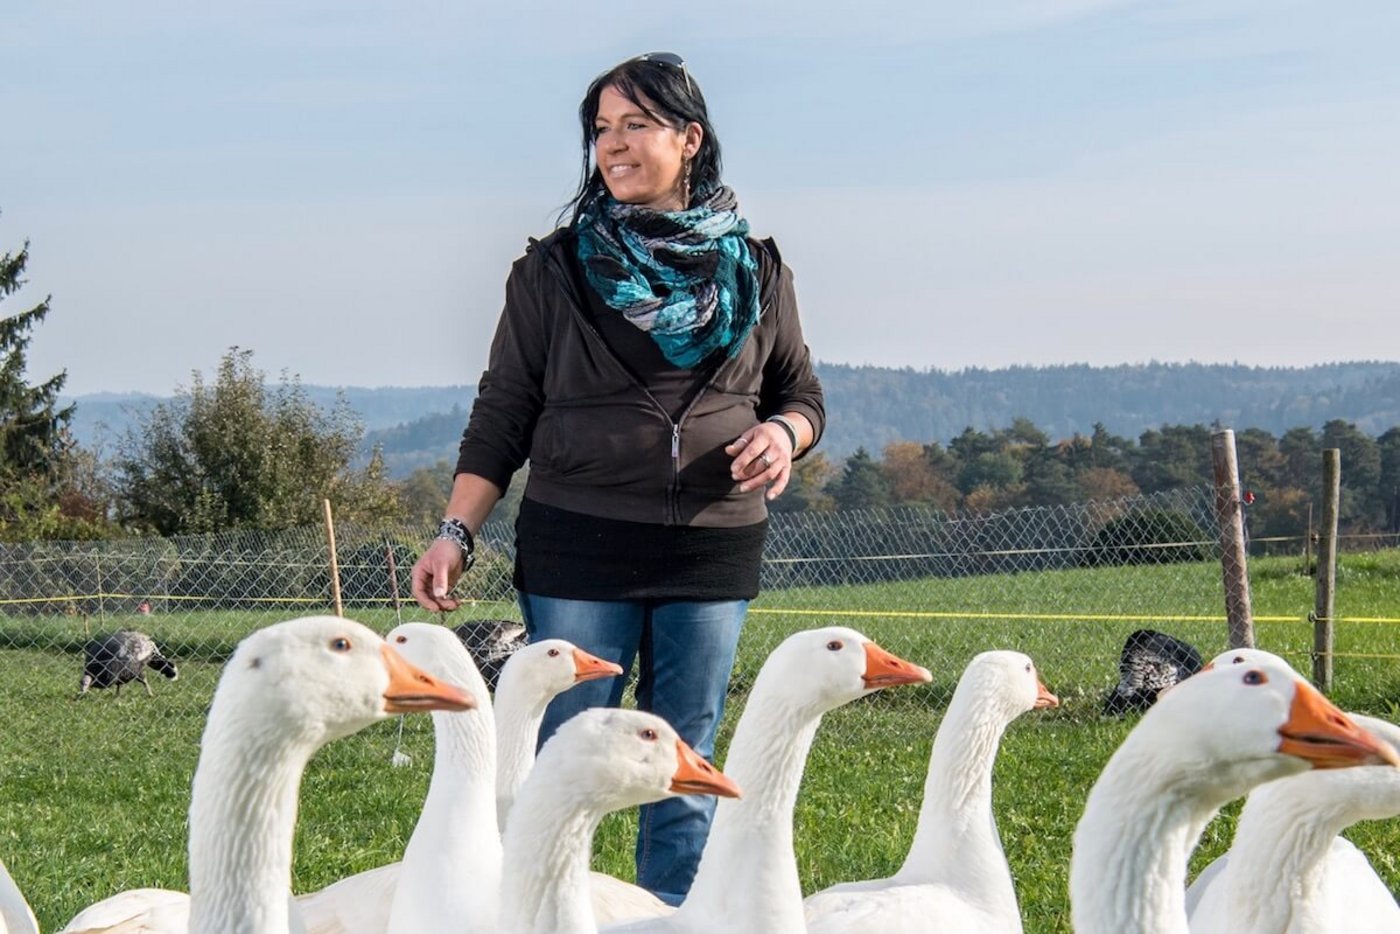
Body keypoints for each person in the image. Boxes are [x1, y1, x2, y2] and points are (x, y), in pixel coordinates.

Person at [409, 50, 824, 906]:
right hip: (580, 543)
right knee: (572, 750)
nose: (614, 145)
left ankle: (670, 916)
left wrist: (785, 434)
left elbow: (802, 395)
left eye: (636, 124)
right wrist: (455, 532)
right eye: (602, 129)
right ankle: (546, 913)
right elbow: (503, 410)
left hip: (712, 545)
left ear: (689, 138)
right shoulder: (552, 272)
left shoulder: (759, 272)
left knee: (683, 754)